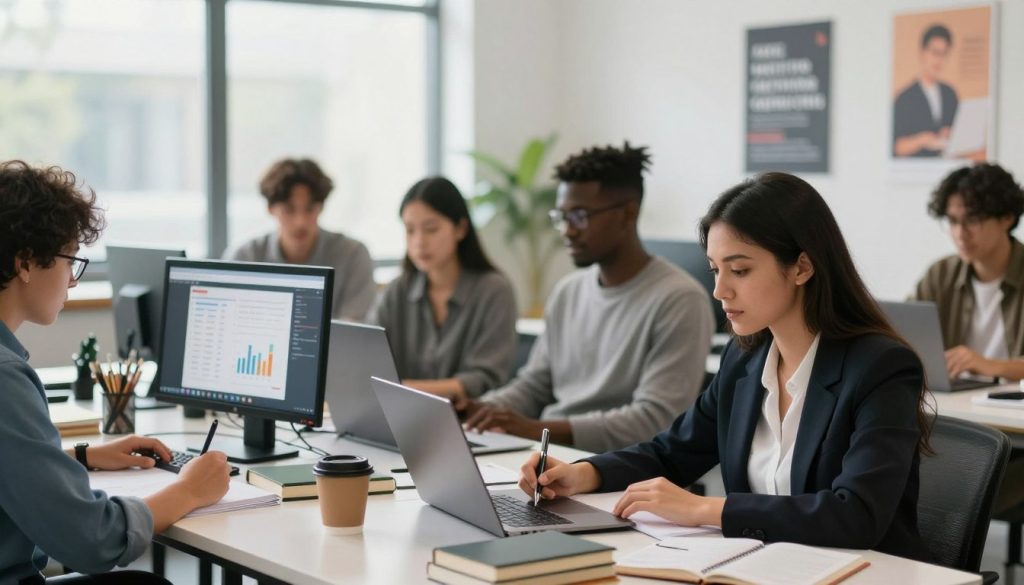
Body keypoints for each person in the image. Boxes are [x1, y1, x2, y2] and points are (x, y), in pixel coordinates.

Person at [519, 172, 932, 561]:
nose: (719, 290)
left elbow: (855, 515)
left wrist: (707, 509)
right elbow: (672, 452)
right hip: (762, 566)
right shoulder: (745, 359)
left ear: (802, 268)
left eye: (740, 270)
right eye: (715, 270)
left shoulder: (881, 368)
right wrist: (582, 473)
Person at [0, 161, 232, 584]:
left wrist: (82, 459)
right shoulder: (5, 378)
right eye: (70, 259)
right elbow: (92, 540)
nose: (72, 279)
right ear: (26, 264)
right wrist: (189, 490)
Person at [461, 143, 714, 453]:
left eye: (579, 216)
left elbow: (655, 421)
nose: (567, 230)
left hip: (623, 475)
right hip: (550, 458)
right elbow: (535, 385)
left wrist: (533, 429)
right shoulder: (568, 291)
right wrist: (478, 410)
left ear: (627, 214)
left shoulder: (680, 300)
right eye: (562, 216)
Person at [368, 177, 517, 401]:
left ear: (461, 228)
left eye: (431, 229)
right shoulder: (396, 291)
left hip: (471, 423)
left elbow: (482, 380)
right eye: (410, 230)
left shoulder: (494, 291)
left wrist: (398, 388)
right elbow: (367, 359)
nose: (419, 242)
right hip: (399, 417)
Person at [224, 158, 376, 321]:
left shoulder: (353, 255)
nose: (301, 222)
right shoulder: (244, 258)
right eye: (289, 210)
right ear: (270, 208)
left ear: (321, 207)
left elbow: (352, 331)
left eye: (310, 209)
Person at [912, 163, 1024, 381]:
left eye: (973, 220)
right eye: (953, 221)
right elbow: (900, 333)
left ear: (1006, 218)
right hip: (955, 404)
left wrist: (989, 365)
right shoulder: (941, 274)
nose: (960, 234)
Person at [893, 24, 960, 158]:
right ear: (923, 53)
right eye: (935, 53)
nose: (938, 60)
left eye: (944, 54)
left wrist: (951, 134)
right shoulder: (905, 98)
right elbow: (897, 147)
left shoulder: (950, 94)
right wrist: (921, 140)